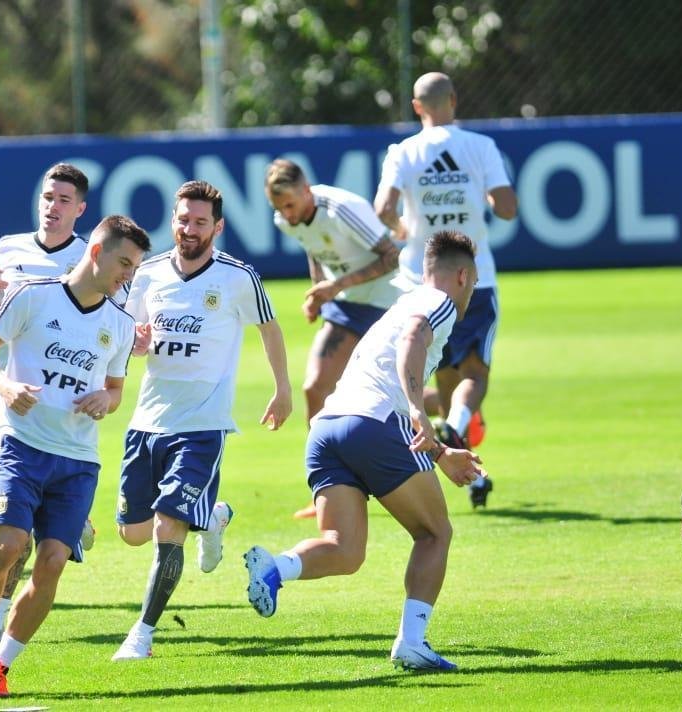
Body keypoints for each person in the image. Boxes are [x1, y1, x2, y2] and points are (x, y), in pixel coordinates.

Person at [243, 230, 485, 672]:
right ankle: (412, 642)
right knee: (435, 533)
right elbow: (413, 343)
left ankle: (275, 569)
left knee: (345, 550)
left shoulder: (401, 303)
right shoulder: (438, 302)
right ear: (463, 275)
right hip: (374, 425)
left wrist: (441, 452)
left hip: (327, 429)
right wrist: (420, 412)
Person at [0, 215, 149, 699]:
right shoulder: (34, 295)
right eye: (123, 263)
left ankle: (0, 665)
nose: (128, 276)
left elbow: (115, 390)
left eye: (134, 268)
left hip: (77, 461)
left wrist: (106, 402)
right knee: (8, 547)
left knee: (51, 561)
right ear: (95, 251)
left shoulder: (118, 323)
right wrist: (5, 385)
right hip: (21, 445)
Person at [111, 180, 293, 661]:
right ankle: (212, 518)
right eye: (182, 220)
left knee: (166, 528)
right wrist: (135, 342)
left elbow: (270, 329)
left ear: (218, 226)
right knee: (133, 532)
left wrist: (283, 388)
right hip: (147, 421)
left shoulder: (237, 277)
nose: (188, 229)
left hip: (203, 425)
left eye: (199, 222)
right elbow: (122, 335)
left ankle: (142, 634)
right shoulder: (146, 274)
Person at [0, 163, 98, 642]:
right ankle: (65, 522)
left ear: (79, 210)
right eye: (47, 197)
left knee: (12, 533)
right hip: (1, 397)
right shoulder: (8, 249)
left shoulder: (87, 261)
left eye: (62, 200)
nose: (51, 207)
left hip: (56, 414)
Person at [374, 71, 517, 508]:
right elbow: (507, 209)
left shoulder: (403, 151)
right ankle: (456, 423)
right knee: (475, 375)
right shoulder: (480, 147)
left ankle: (473, 475)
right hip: (474, 278)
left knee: (444, 373)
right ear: (453, 100)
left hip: (421, 279)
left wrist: (405, 228)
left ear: (417, 107)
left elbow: (383, 209)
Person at [265, 158, 401, 520]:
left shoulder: (342, 208)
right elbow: (314, 248)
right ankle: (328, 487)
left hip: (390, 303)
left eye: (291, 205)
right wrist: (318, 294)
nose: (287, 216)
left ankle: (443, 409)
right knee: (314, 388)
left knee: (393, 395)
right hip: (346, 305)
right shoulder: (286, 220)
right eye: (280, 208)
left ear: (307, 190)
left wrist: (334, 286)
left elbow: (393, 257)